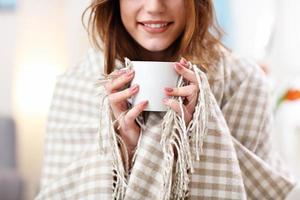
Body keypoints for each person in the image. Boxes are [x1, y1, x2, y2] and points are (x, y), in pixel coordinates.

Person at [36, 0, 297, 199]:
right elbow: (61, 190)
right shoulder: (77, 85)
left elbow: (262, 190)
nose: (154, 7)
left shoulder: (242, 81)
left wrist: (198, 134)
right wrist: (123, 146)